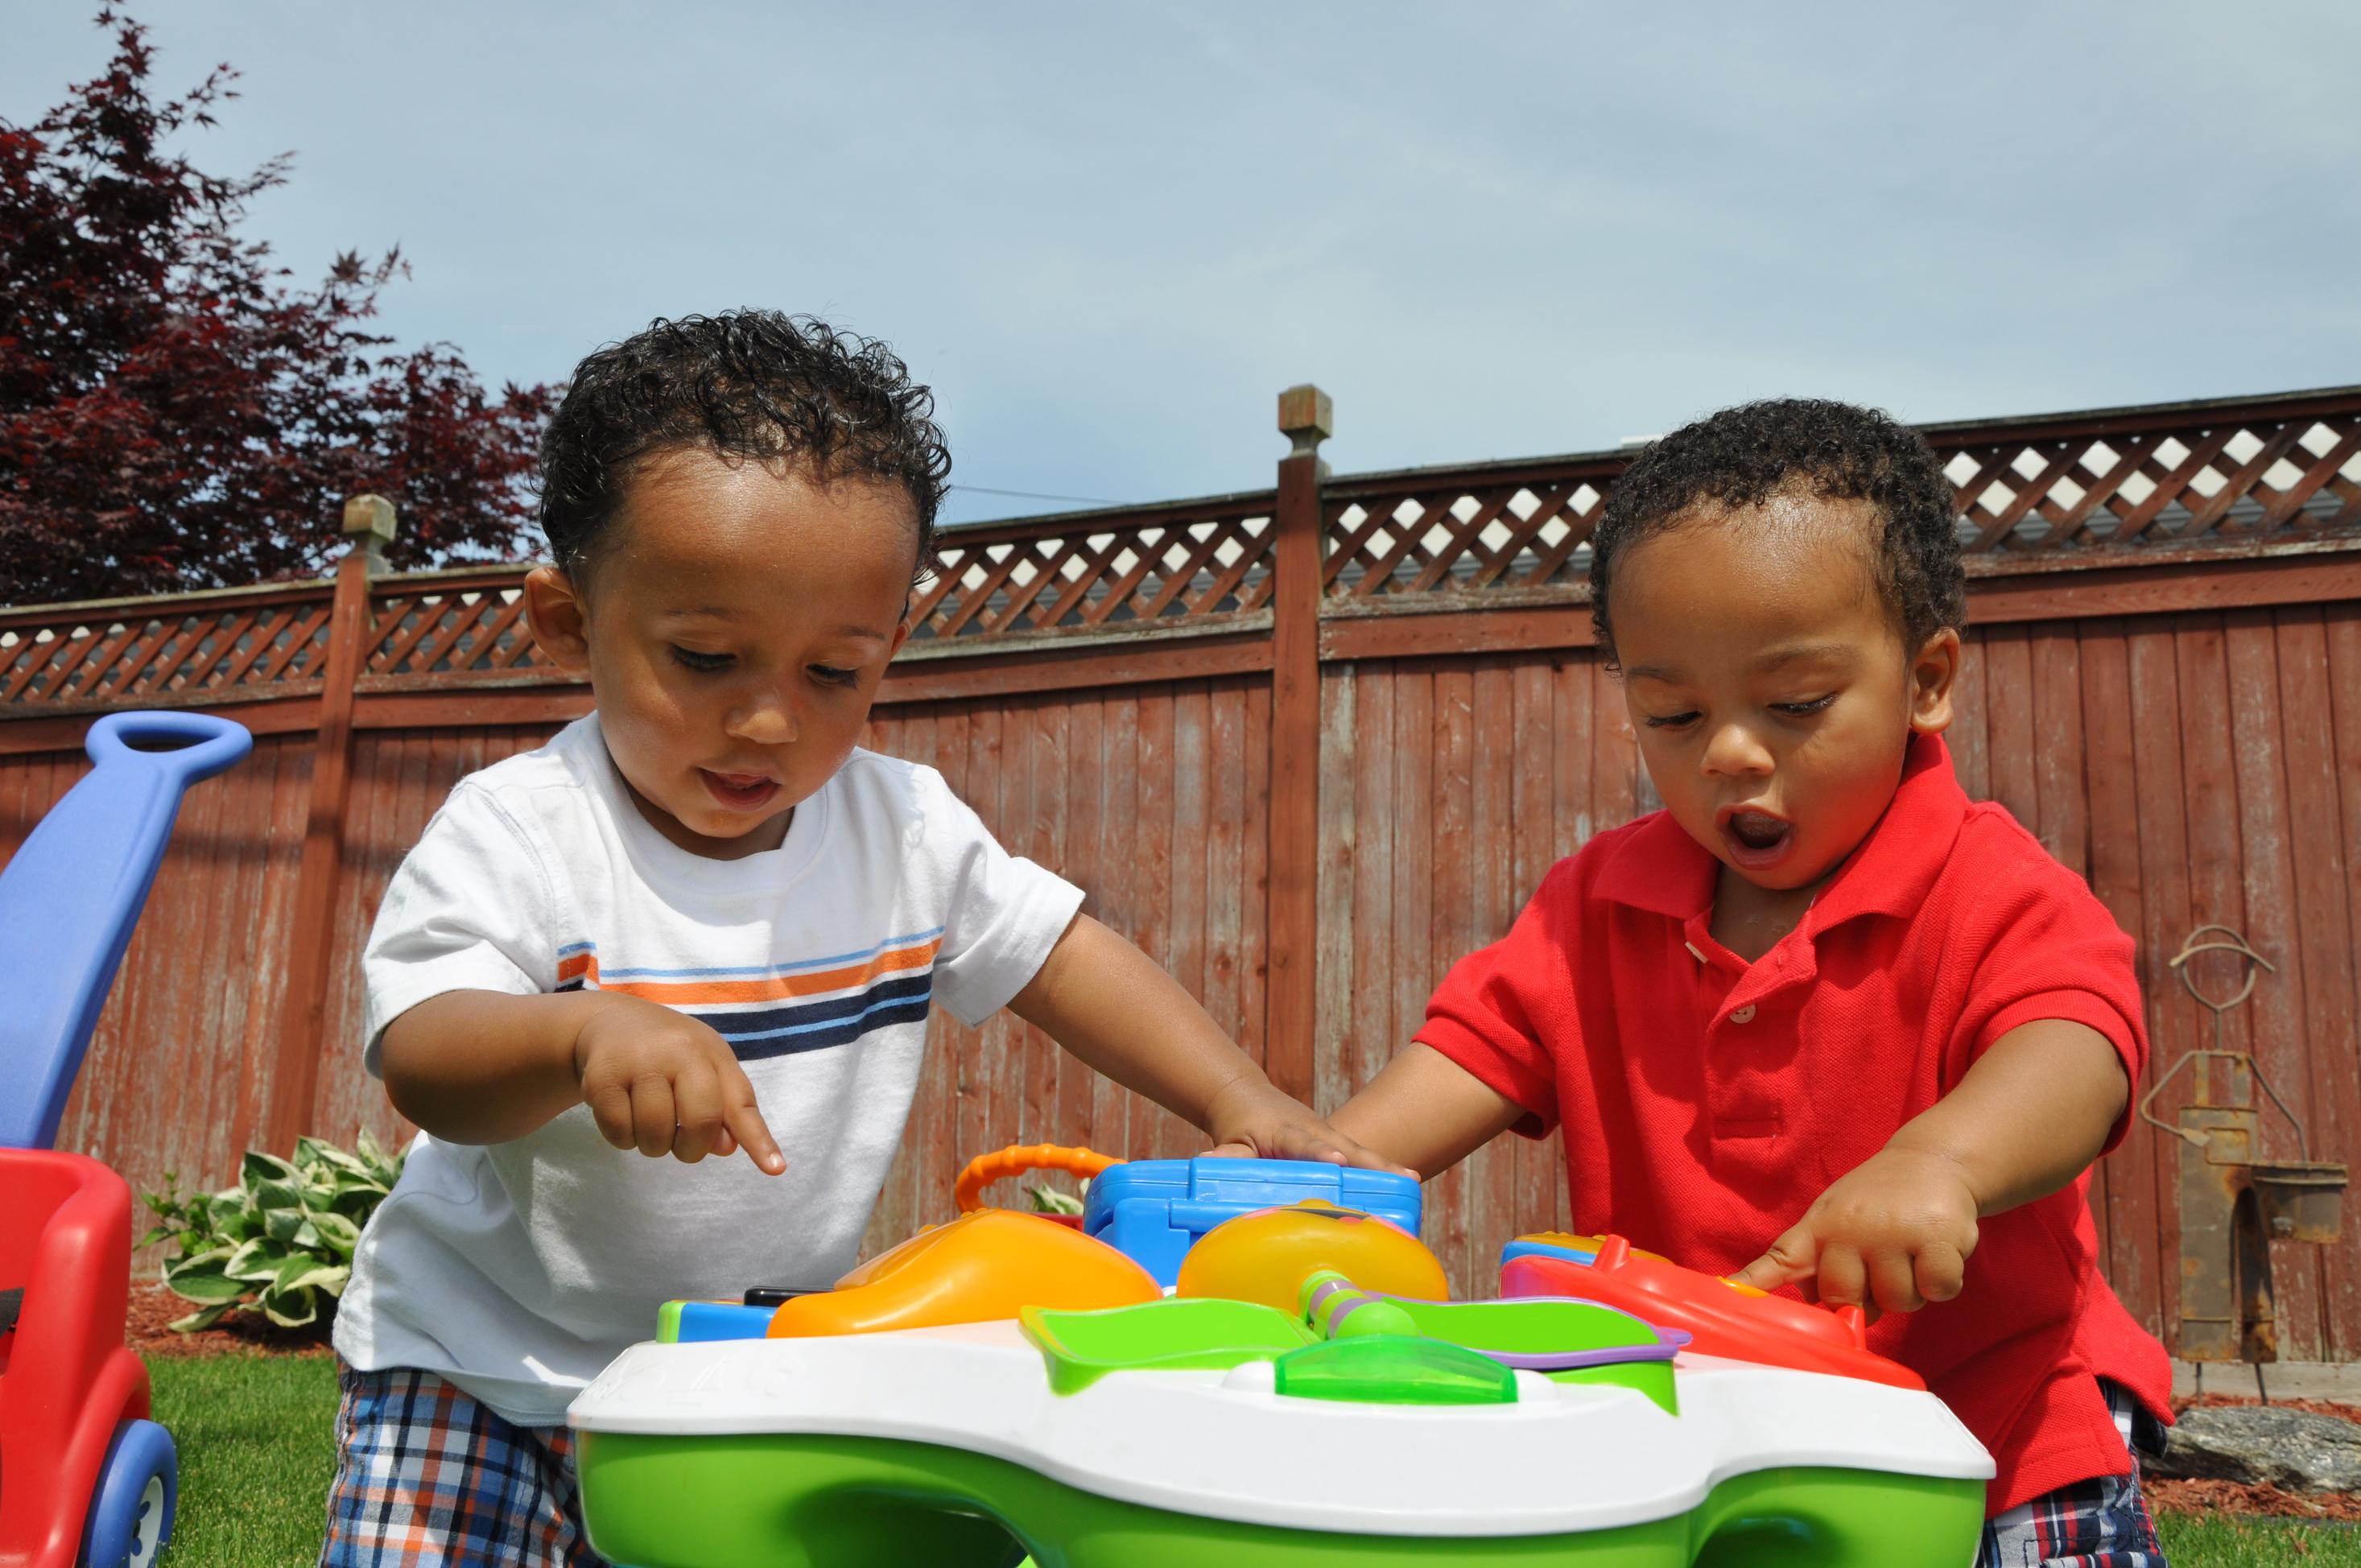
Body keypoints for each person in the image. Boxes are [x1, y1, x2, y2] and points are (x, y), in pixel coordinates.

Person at [320, 311, 1396, 1566]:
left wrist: (1237, 1096)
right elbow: (426, 1058)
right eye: (706, 658)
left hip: (741, 1374)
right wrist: (576, 1035)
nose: (770, 722)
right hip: (477, 1365)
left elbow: (1060, 958)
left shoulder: (904, 829)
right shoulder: (524, 827)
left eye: (833, 673)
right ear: (567, 624)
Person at [1329, 398, 2173, 1566]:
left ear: (1927, 679)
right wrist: (1325, 1175)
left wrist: (1940, 1162)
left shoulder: (1987, 885)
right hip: (1719, 1439)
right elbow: (1465, 1057)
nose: (1727, 751)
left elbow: (2076, 1044)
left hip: (1994, 1431)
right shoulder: (1593, 906)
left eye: (1795, 703)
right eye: (1673, 713)